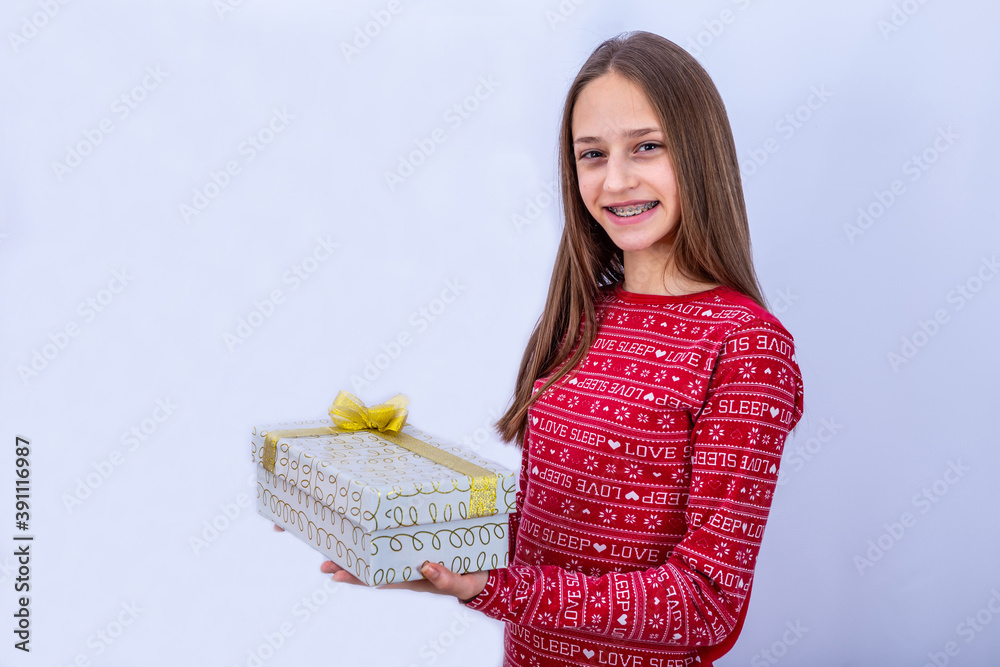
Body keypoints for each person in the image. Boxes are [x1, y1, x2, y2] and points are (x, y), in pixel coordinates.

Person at [279, 30, 805, 667]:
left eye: (646, 146)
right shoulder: (580, 318)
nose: (615, 180)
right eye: (591, 154)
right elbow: (543, 529)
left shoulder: (747, 347)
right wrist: (390, 530)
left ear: (699, 154)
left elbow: (705, 604)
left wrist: (493, 588)